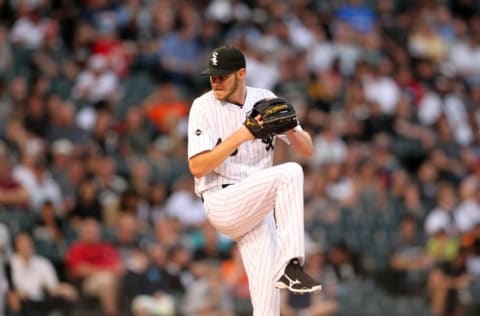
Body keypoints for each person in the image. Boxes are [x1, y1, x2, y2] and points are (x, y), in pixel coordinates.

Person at [187, 46, 321, 316]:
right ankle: (292, 265)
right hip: (222, 199)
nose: (215, 81)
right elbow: (197, 166)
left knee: (266, 302)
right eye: (212, 76)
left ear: (242, 74)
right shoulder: (203, 106)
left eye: (222, 76)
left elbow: (307, 149)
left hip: (256, 206)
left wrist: (292, 129)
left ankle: (285, 272)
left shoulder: (265, 99)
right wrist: (242, 134)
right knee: (290, 173)